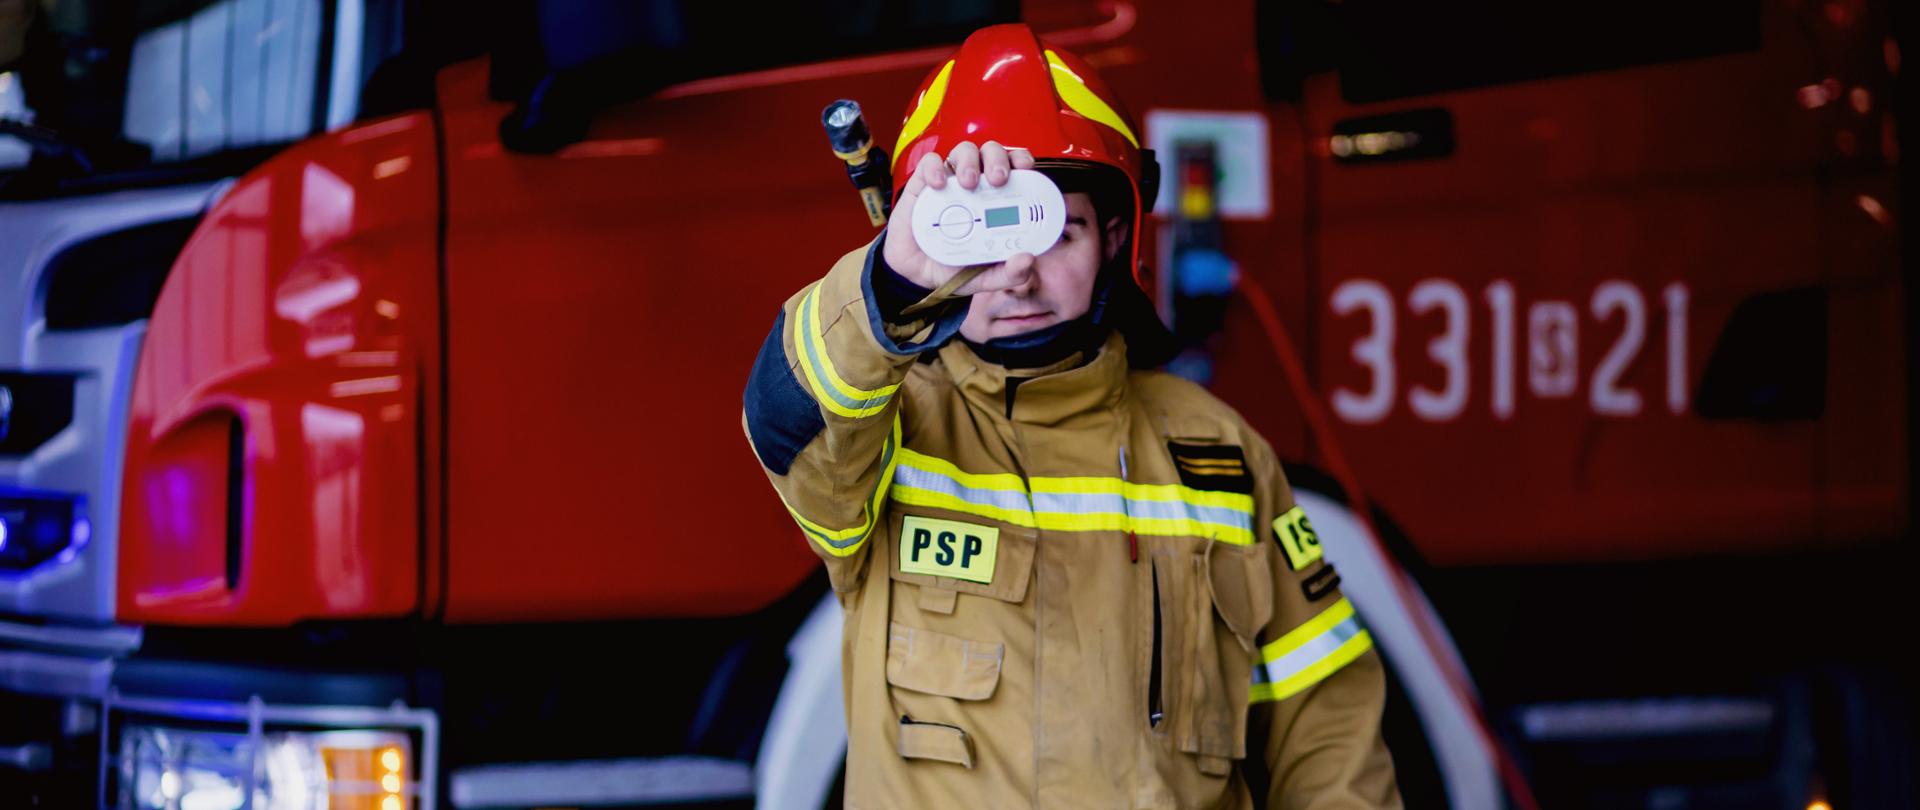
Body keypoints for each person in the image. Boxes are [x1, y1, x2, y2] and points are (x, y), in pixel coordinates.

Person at [743, 23, 1400, 809]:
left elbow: (1328, 723)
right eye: (984, 236)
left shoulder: (1220, 453)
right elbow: (785, 417)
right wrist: (891, 283)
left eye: (1053, 228)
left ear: (1117, 235)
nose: (1016, 274)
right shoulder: (885, 428)